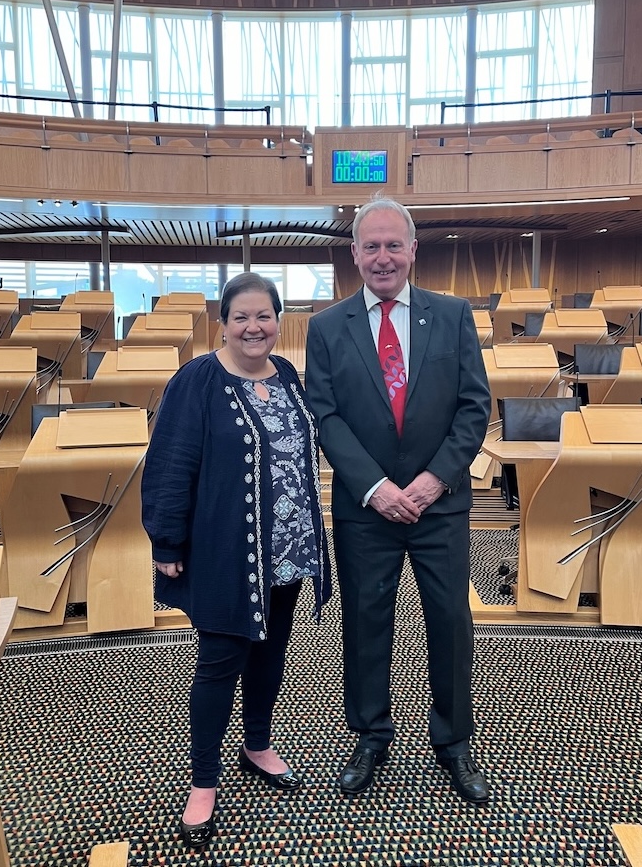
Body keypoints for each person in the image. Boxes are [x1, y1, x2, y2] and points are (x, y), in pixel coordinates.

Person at [304, 196, 491, 804]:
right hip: (366, 508)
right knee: (363, 622)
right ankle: (370, 735)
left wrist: (434, 480)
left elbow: (473, 408)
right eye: (371, 245)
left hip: (441, 504)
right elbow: (325, 417)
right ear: (354, 253)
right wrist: (376, 488)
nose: (382, 257)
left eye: (393, 244)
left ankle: (455, 743)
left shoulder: (454, 314)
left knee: (450, 622)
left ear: (414, 250)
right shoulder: (326, 328)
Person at [142, 272, 331, 848]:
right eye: (242, 317)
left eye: (264, 316)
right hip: (228, 548)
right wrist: (168, 541)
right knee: (221, 659)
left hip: (290, 549)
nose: (254, 327)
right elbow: (171, 462)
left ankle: (257, 743)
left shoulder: (289, 376)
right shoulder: (198, 380)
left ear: (279, 321)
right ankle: (203, 783)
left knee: (271, 653)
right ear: (222, 323)